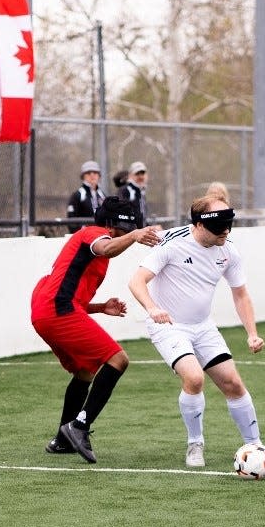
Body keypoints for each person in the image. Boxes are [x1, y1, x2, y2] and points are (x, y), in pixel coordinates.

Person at [128, 182, 265, 468]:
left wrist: (252, 334)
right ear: (200, 224)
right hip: (169, 326)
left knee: (234, 384)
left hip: (203, 327)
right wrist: (152, 308)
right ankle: (195, 445)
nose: (226, 233)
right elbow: (136, 281)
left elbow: (240, 294)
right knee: (194, 378)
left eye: (229, 226)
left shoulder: (229, 250)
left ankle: (255, 445)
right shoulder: (172, 242)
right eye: (220, 228)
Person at [31, 196, 161, 464]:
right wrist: (135, 235)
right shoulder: (94, 233)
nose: (129, 235)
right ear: (113, 226)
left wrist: (100, 307)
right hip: (56, 310)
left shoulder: (95, 241)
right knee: (119, 359)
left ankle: (63, 440)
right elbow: (106, 248)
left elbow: (66, 292)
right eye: (127, 229)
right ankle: (79, 427)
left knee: (86, 371)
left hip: (48, 310)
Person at [67, 160, 106, 233]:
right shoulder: (77, 195)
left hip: (101, 234)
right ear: (83, 176)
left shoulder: (102, 195)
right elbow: (71, 220)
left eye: (95, 172)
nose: (92, 175)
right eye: (88, 173)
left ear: (99, 175)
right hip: (83, 235)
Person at [118, 161, 151, 229]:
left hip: (140, 233)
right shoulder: (125, 190)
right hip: (130, 233)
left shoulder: (141, 191)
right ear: (130, 175)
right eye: (137, 174)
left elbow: (142, 216)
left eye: (142, 173)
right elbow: (122, 215)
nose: (140, 176)